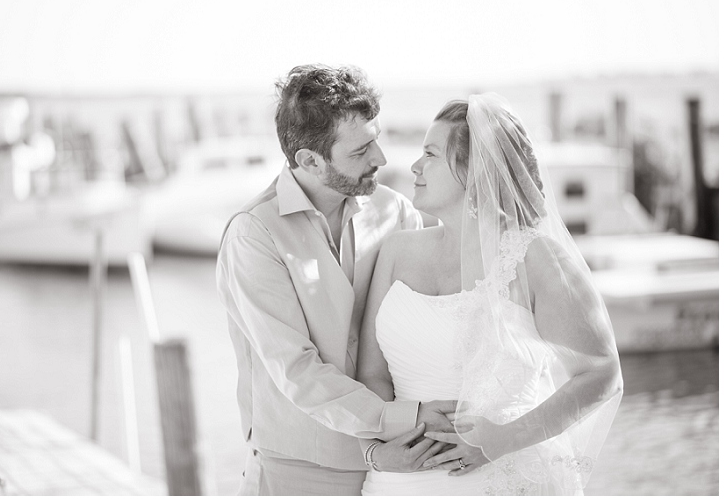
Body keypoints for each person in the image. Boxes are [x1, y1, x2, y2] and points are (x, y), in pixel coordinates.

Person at [357, 93, 624, 495]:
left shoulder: (535, 259)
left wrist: (500, 441)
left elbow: (602, 373)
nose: (414, 166)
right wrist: (383, 448)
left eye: (430, 153)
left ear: (474, 169)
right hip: (400, 481)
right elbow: (372, 376)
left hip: (499, 477)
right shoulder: (396, 251)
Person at [216, 64, 461, 496]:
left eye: (377, 139)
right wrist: (400, 422)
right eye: (360, 150)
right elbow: (297, 371)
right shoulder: (254, 234)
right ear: (308, 160)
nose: (381, 159)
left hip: (404, 464)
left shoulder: (398, 212)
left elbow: (424, 332)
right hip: (301, 471)